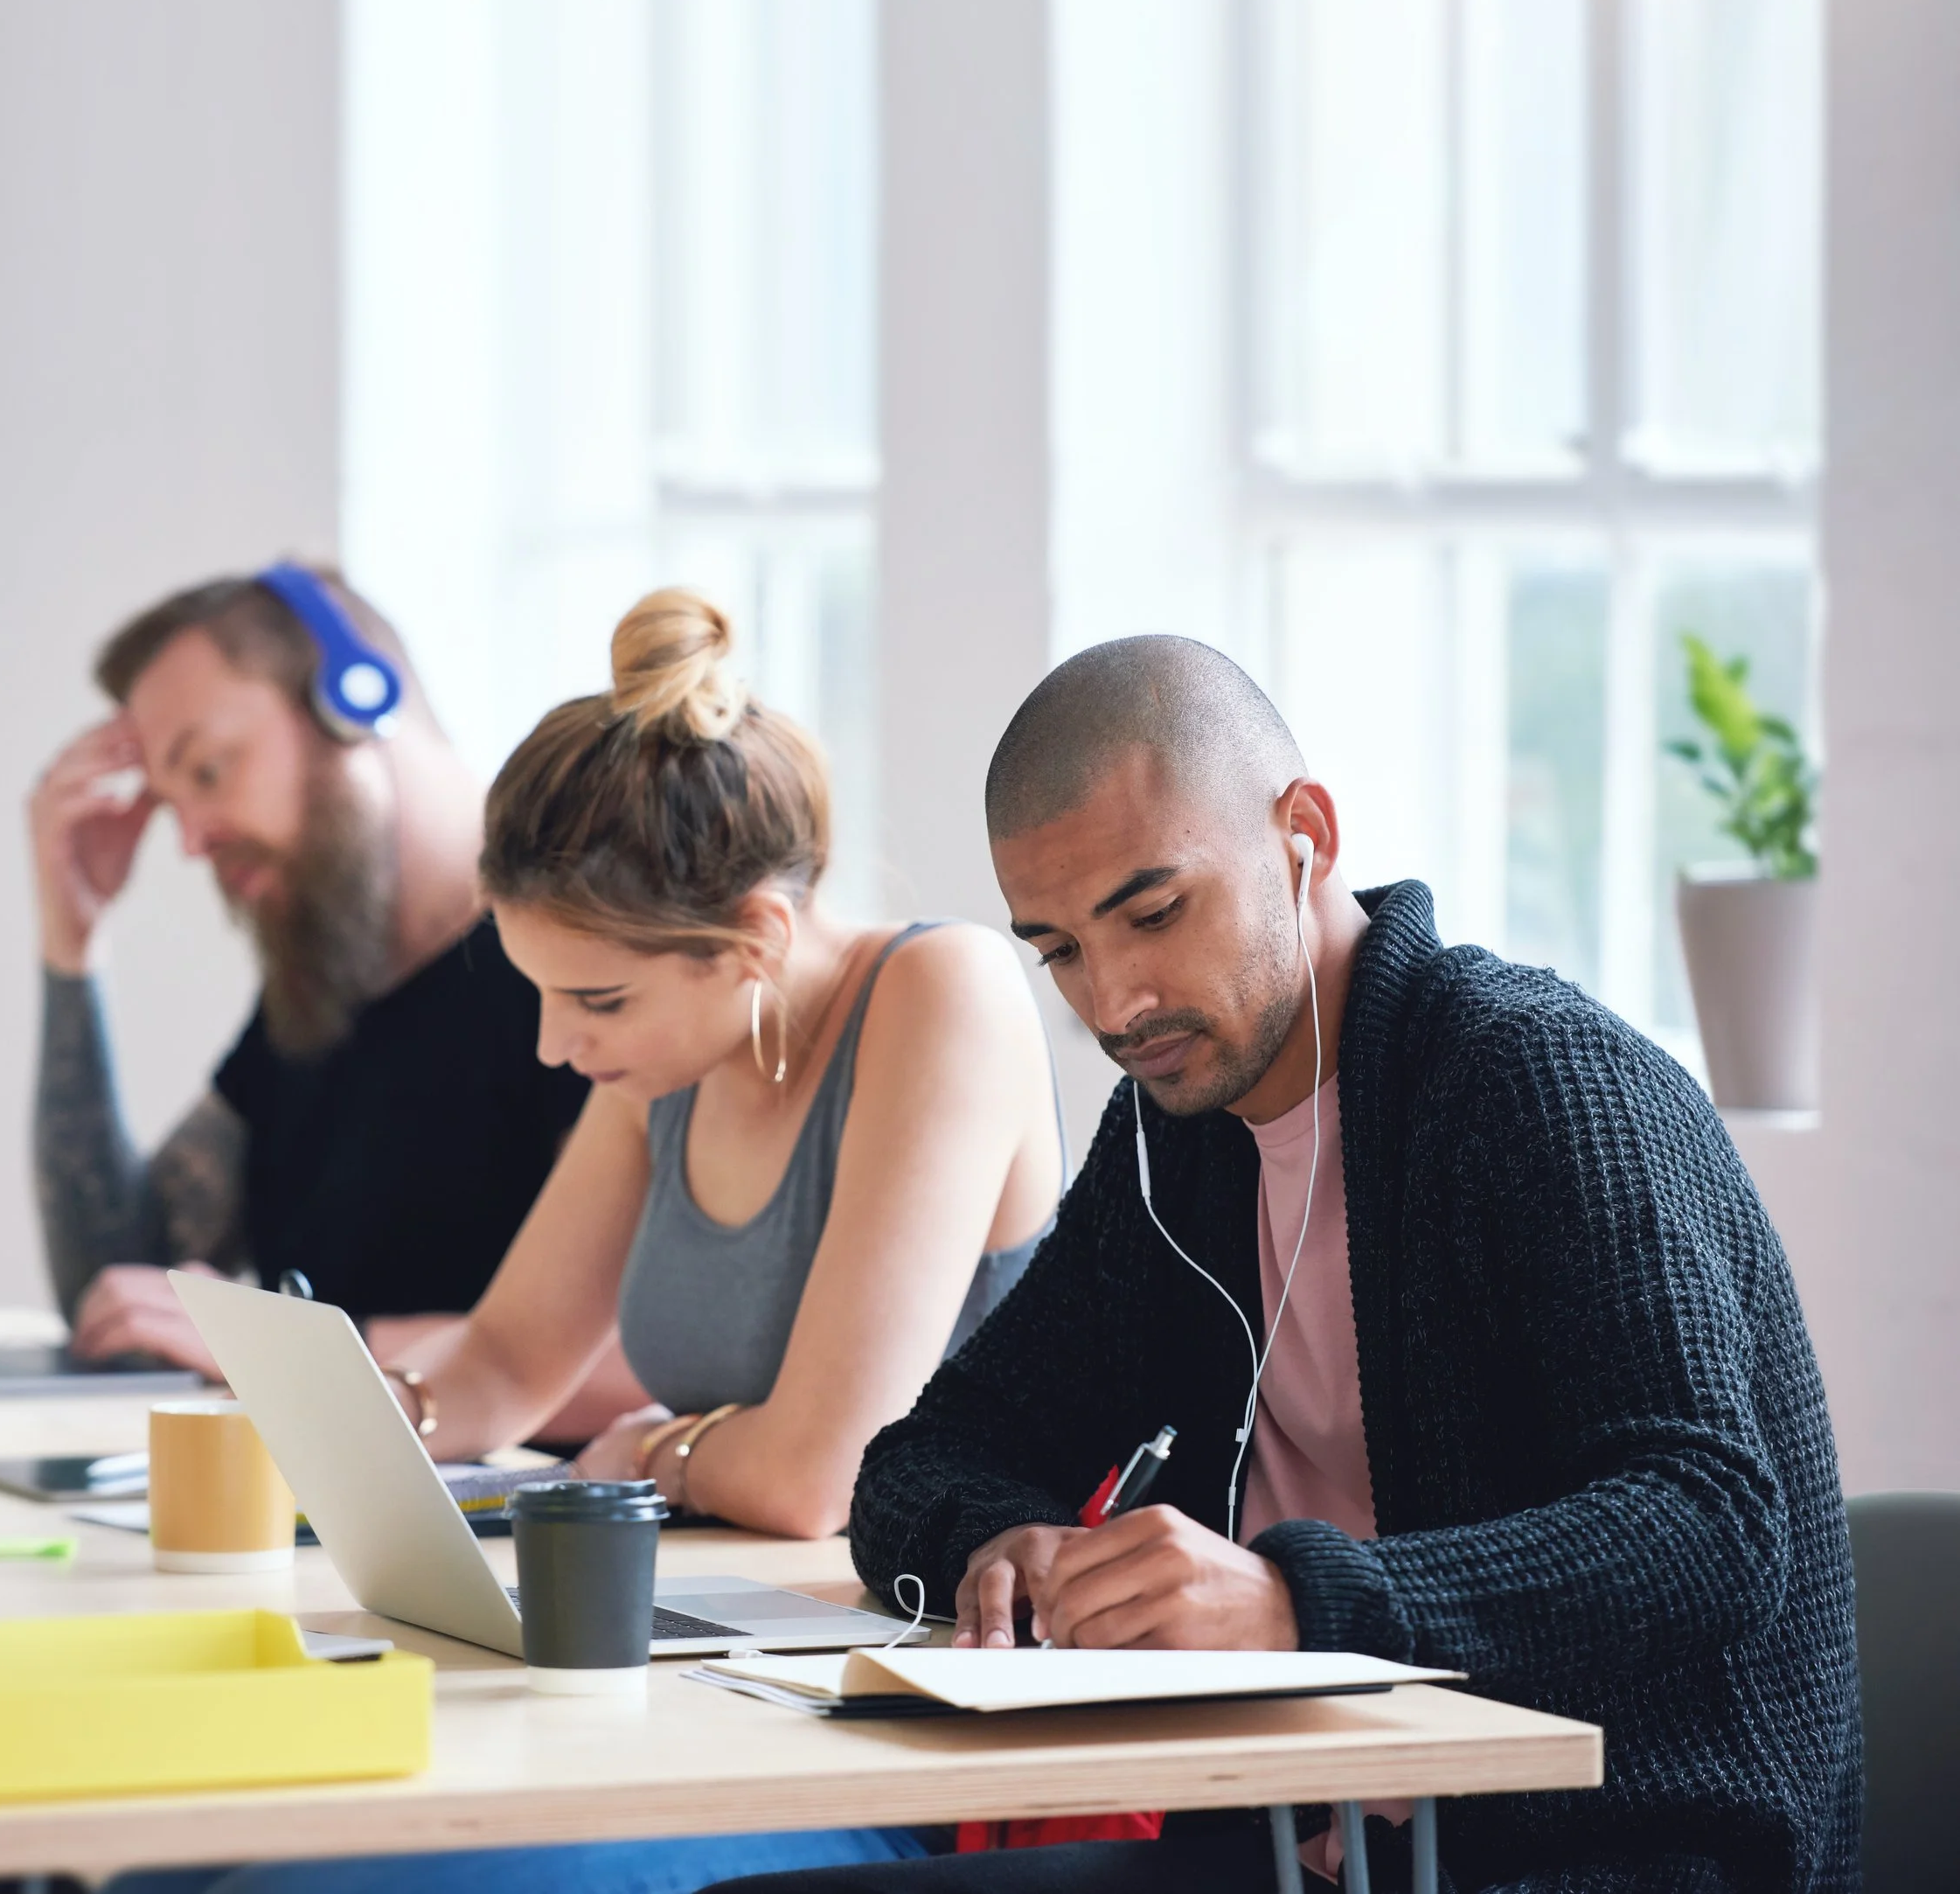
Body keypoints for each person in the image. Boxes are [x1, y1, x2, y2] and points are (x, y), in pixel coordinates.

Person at [712, 635, 1859, 1894]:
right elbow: (922, 1456)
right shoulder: (1173, 1135)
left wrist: (1298, 1602)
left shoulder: (1536, 1083)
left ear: (1303, 829)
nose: (1116, 1001)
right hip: (1312, 1844)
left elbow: (1708, 1524)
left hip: (1614, 1849)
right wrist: (1007, 1545)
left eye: (1155, 913)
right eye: (1061, 950)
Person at [111, 589, 1064, 1894]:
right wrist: (335, 1425)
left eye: (594, 998)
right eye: (541, 992)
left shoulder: (941, 995)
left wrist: (658, 1447)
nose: (560, 1045)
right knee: (159, 1858)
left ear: (756, 940)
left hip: (889, 1724)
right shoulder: (664, 1054)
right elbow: (506, 1360)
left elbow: (821, 1473)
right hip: (696, 1678)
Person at [29, 565, 639, 1435]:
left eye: (209, 768)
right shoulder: (323, 985)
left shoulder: (595, 970)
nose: (192, 840)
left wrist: (311, 1355)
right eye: (170, 805)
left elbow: (656, 1360)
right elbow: (122, 1290)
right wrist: (71, 945)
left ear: (355, 699)